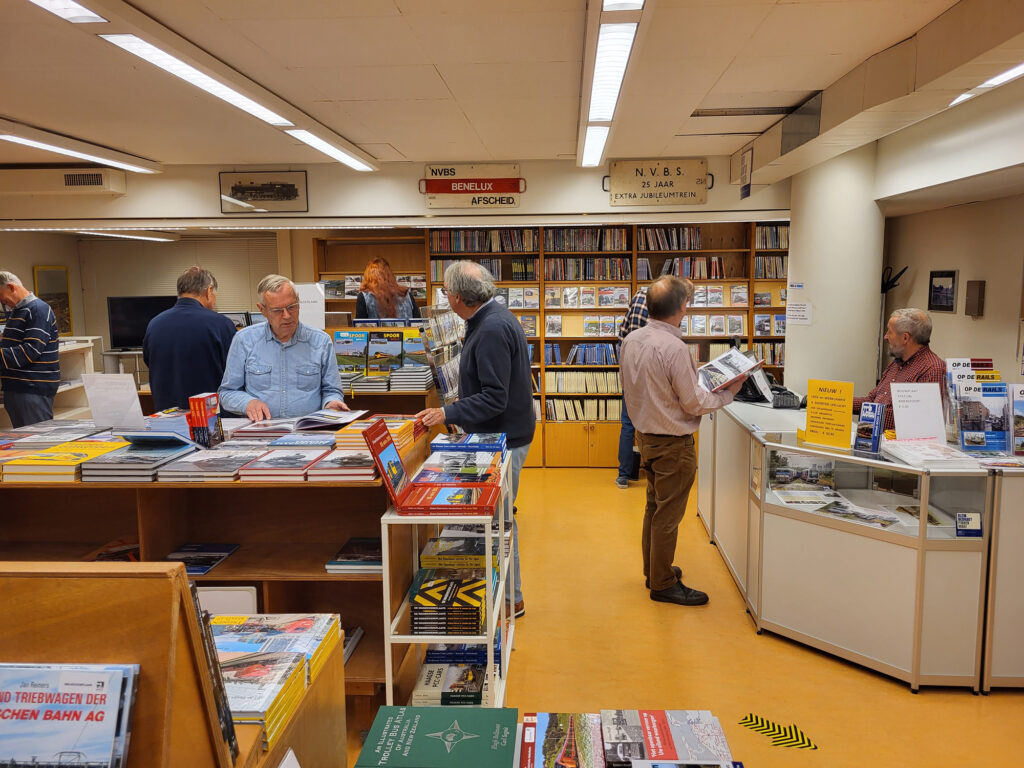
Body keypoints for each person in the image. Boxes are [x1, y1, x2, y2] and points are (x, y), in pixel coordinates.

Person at [415, 261, 534, 618]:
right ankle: (508, 597)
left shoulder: (491, 329)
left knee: (497, 522)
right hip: (504, 432)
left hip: (506, 439)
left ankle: (511, 601)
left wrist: (448, 414)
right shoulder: (490, 318)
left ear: (454, 296)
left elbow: (495, 396)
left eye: (445, 292)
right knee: (497, 519)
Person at [620, 275, 745, 607]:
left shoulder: (631, 339)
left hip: (645, 437)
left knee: (654, 508)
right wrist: (730, 389)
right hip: (673, 444)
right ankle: (661, 583)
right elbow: (694, 403)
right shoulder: (674, 347)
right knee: (668, 515)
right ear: (682, 308)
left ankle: (654, 570)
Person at [219, 274, 348, 420]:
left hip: (308, 432)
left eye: (292, 307)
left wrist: (331, 403)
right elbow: (227, 393)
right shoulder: (244, 340)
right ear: (262, 310)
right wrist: (248, 403)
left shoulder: (321, 342)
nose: (287, 315)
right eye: (277, 310)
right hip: (261, 432)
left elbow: (332, 390)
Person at [143, 266, 237, 411]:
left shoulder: (154, 324)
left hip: (166, 417)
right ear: (209, 291)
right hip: (209, 420)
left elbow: (149, 361)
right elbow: (235, 371)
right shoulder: (220, 324)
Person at [853, 308, 945, 431]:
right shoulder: (896, 364)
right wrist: (836, 402)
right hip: (875, 439)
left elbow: (922, 423)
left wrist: (874, 415)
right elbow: (871, 401)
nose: (885, 336)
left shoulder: (933, 369)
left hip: (898, 446)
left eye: (889, 332)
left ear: (905, 338)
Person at [0, 270, 60, 428]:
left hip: (31, 389)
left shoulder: (38, 310)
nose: (2, 301)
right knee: (26, 445)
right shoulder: (17, 312)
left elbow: (30, 350)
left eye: (1, 296)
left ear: (12, 287)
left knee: (39, 443)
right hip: (18, 389)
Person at [615, 286, 649, 489]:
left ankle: (623, 475)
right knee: (650, 422)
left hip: (629, 370)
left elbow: (621, 335)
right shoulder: (662, 303)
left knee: (627, 424)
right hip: (649, 373)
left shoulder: (638, 295)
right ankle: (652, 470)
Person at [355, 257, 421, 320]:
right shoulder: (406, 295)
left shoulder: (364, 297)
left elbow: (359, 328)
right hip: (406, 331)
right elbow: (418, 323)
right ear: (390, 275)